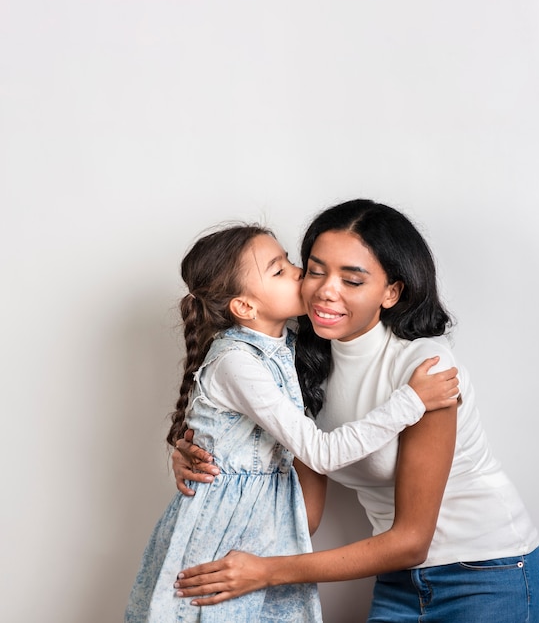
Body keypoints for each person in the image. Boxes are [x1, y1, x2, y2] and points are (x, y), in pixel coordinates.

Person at [172, 200, 539, 623]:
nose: (326, 290)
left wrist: (267, 572)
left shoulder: (425, 371)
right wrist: (206, 461)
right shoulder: (295, 366)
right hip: (396, 577)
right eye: (315, 270)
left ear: (391, 292)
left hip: (486, 573)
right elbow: (305, 513)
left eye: (352, 280)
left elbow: (412, 540)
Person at [125, 222, 459, 623]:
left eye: (289, 260)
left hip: (266, 546)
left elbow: (304, 495)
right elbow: (321, 452)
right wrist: (411, 401)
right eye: (280, 270)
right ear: (245, 307)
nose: (300, 273)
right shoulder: (237, 361)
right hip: (220, 541)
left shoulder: (294, 349)